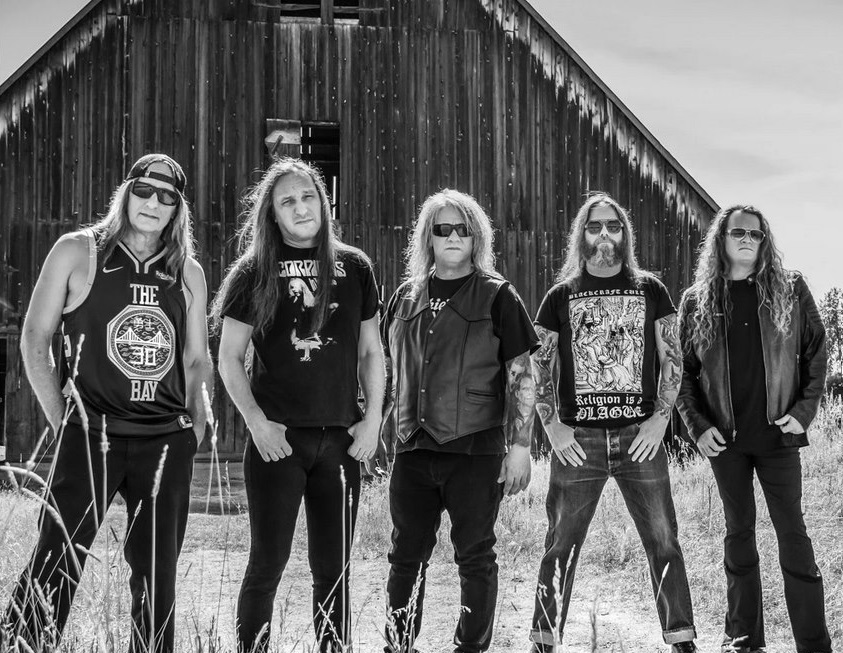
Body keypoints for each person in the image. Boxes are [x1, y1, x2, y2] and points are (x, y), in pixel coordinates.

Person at [2, 154, 211, 653]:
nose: (153, 203)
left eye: (167, 197)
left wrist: (196, 428)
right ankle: (23, 645)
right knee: (55, 560)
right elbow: (35, 338)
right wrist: (64, 420)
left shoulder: (187, 272)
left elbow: (196, 359)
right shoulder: (79, 251)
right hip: (90, 433)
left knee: (157, 577)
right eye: (144, 190)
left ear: (177, 209)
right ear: (126, 192)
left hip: (164, 440)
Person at [212, 157, 384, 653]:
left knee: (333, 570)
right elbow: (229, 357)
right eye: (287, 201)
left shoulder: (355, 266)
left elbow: (371, 351)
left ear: (323, 203)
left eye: (308, 196)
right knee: (267, 564)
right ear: (272, 213)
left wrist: (373, 419)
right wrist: (257, 423)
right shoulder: (254, 271)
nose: (301, 207)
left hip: (341, 443)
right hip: (279, 444)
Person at [528, 193, 697, 653]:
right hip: (578, 441)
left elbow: (673, 359)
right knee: (560, 543)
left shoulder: (651, 290)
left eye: (613, 225)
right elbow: (538, 365)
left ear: (625, 234)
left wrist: (660, 420)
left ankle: (681, 638)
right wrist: (553, 427)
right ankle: (544, 639)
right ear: (581, 235)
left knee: (663, 539)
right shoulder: (560, 296)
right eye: (595, 225)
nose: (604, 233)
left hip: (639, 437)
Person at [381, 189, 539, 653]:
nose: (452, 236)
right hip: (413, 450)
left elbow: (522, 374)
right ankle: (398, 645)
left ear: (476, 237)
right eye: (442, 228)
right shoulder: (404, 297)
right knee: (404, 557)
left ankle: (470, 648)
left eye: (462, 229)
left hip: (475, 450)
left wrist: (520, 447)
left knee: (475, 557)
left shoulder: (498, 295)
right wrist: (376, 424)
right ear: (427, 237)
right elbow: (387, 370)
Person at [676, 205, 831, 653]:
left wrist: (803, 412)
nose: (748, 239)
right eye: (739, 232)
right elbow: (682, 374)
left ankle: (814, 644)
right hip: (725, 440)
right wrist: (697, 426)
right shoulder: (698, 300)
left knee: (793, 535)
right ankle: (743, 638)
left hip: (779, 437)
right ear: (721, 238)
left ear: (765, 242)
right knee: (738, 534)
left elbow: (817, 352)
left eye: (757, 234)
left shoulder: (790, 288)